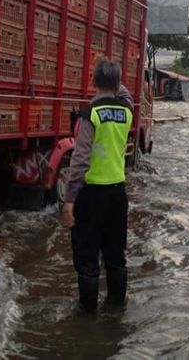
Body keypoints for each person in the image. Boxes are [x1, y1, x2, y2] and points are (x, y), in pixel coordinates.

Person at [59, 59, 133, 313]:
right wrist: (115, 83)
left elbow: (79, 159)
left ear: (93, 82)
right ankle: (116, 307)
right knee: (115, 253)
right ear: (117, 82)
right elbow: (124, 93)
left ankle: (87, 312)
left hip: (91, 194)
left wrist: (69, 201)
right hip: (117, 192)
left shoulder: (90, 113)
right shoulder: (127, 110)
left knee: (88, 255)